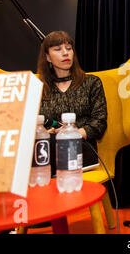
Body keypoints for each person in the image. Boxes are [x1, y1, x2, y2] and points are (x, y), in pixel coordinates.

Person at [37, 30, 107, 171]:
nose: (65, 53)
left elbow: (99, 122)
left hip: (81, 149)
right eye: (58, 49)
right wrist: (47, 132)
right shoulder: (38, 88)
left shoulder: (91, 83)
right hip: (48, 151)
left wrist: (71, 134)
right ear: (48, 58)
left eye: (68, 48)